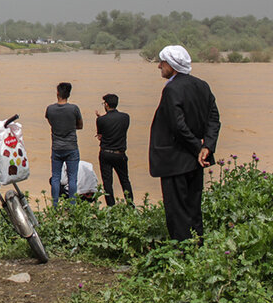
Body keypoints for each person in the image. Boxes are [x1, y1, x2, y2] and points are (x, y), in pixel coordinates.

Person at [149, 45, 221, 241]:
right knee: (193, 206)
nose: (159, 66)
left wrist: (199, 148)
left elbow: (177, 125)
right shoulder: (202, 85)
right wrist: (207, 147)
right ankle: (197, 246)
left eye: (162, 63)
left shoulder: (172, 89)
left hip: (175, 159)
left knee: (177, 209)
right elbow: (214, 119)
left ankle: (181, 252)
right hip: (196, 160)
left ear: (172, 65)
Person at [45, 82, 83, 205]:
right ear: (69, 94)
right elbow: (80, 125)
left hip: (56, 147)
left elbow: (51, 123)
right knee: (72, 179)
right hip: (71, 147)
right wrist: (70, 127)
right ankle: (72, 206)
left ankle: (55, 206)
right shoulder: (74, 109)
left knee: (56, 177)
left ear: (57, 93)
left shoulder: (50, 109)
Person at [95, 93, 133, 206]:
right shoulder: (125, 117)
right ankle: (130, 204)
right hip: (119, 153)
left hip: (106, 153)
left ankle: (111, 206)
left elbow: (100, 136)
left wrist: (100, 118)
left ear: (106, 104)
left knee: (107, 182)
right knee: (125, 180)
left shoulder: (101, 120)